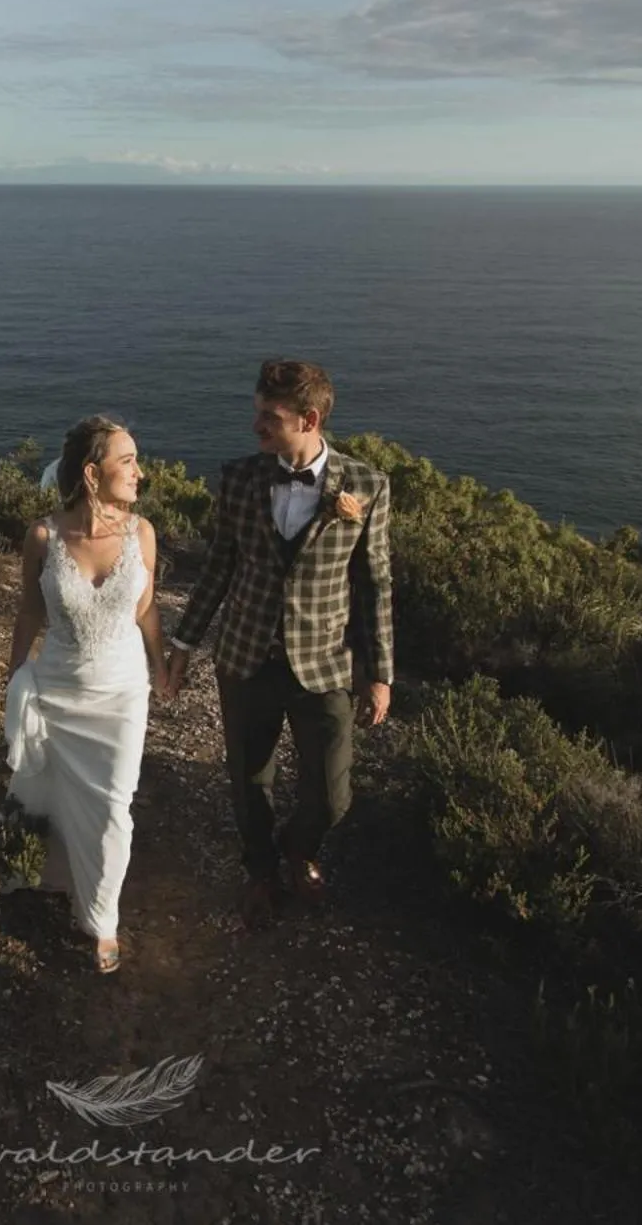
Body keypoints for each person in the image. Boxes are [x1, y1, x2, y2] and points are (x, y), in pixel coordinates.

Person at [162, 360, 394, 927]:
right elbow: (218, 567)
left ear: (309, 419)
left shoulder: (366, 486)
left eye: (270, 417)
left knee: (333, 795)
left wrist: (380, 671)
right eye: (257, 412)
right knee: (249, 779)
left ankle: (299, 847)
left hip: (324, 665)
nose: (256, 426)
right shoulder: (240, 478)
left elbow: (374, 584)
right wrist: (184, 643)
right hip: (245, 657)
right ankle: (262, 870)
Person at [5, 416, 170, 972]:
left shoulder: (141, 533)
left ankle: (102, 920)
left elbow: (145, 607)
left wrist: (161, 664)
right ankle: (58, 875)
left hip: (123, 692)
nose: (140, 472)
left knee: (113, 806)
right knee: (55, 789)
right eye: (129, 462)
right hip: (57, 688)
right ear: (93, 473)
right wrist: (13, 676)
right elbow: (29, 609)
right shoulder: (43, 537)